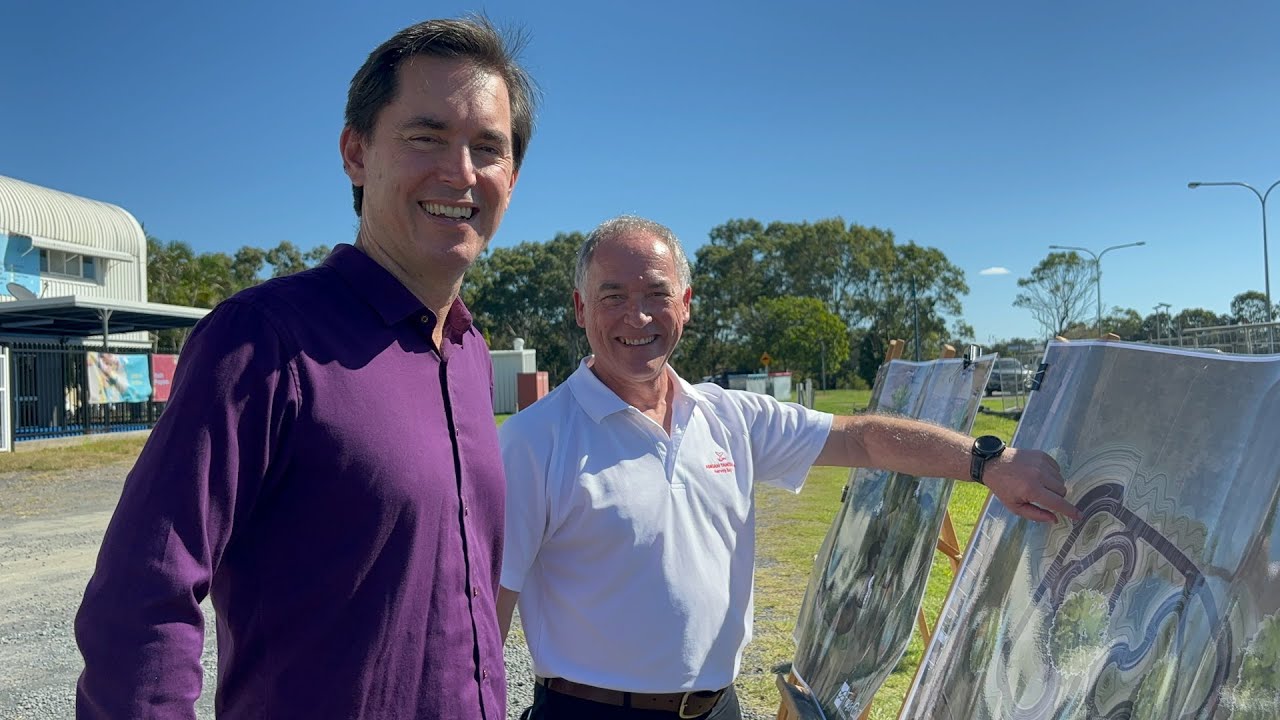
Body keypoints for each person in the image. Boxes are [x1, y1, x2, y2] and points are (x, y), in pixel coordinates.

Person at [75, 16, 535, 720]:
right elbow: (142, 597)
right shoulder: (263, 341)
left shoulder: (469, 352)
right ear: (356, 152)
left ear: (513, 175)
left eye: (488, 147)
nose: (461, 171)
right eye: (426, 136)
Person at [497, 215, 1082, 720]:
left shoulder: (730, 417)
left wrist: (988, 462)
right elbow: (485, 620)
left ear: (686, 304)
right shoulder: (533, 440)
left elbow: (866, 441)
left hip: (720, 707)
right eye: (612, 296)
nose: (638, 316)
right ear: (579, 308)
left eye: (656, 293)